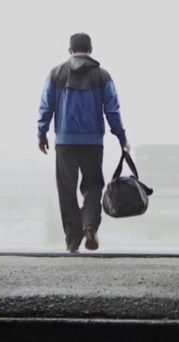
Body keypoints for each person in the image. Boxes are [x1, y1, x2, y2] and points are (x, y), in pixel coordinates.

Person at [37, 33, 129, 253]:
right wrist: (122, 138)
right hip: (93, 142)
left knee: (66, 191)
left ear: (70, 51)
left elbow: (46, 106)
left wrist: (42, 133)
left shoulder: (56, 74)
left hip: (65, 142)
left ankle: (72, 241)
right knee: (93, 186)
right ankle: (89, 225)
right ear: (91, 50)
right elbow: (112, 110)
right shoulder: (102, 76)